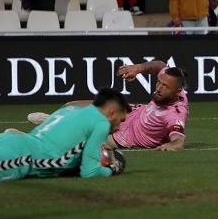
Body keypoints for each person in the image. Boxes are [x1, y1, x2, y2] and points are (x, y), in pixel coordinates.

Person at [28, 61, 189, 152]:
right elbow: (160, 66)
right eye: (159, 83)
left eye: (165, 86)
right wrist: (138, 68)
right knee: (69, 106)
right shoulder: (172, 82)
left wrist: (173, 145)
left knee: (75, 140)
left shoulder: (175, 113)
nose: (159, 88)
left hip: (124, 137)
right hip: (132, 113)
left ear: (177, 92)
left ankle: (35, 139)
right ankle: (53, 121)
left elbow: (178, 139)